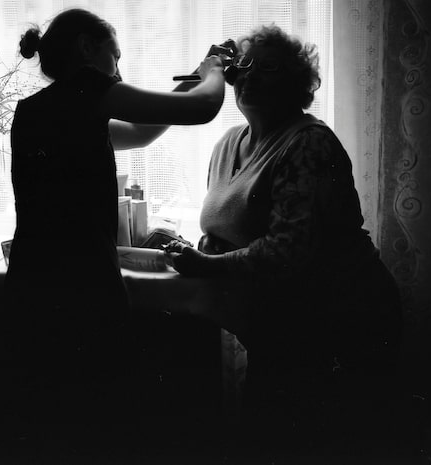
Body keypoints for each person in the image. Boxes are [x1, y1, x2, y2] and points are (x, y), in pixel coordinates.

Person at [165, 24, 403, 460]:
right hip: (280, 322)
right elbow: (231, 224)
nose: (251, 76)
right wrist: (193, 247)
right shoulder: (227, 143)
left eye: (269, 68)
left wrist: (207, 264)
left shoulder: (309, 143)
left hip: (340, 318)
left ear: (296, 84)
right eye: (245, 66)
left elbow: (288, 251)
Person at [1, 7, 226, 456]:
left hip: (31, 282)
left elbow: (140, 132)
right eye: (115, 57)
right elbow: (203, 109)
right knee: (101, 414)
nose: (119, 72)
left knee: (50, 416)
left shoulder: (33, 112)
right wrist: (214, 70)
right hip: (84, 283)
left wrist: (192, 76)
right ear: (87, 49)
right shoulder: (90, 88)